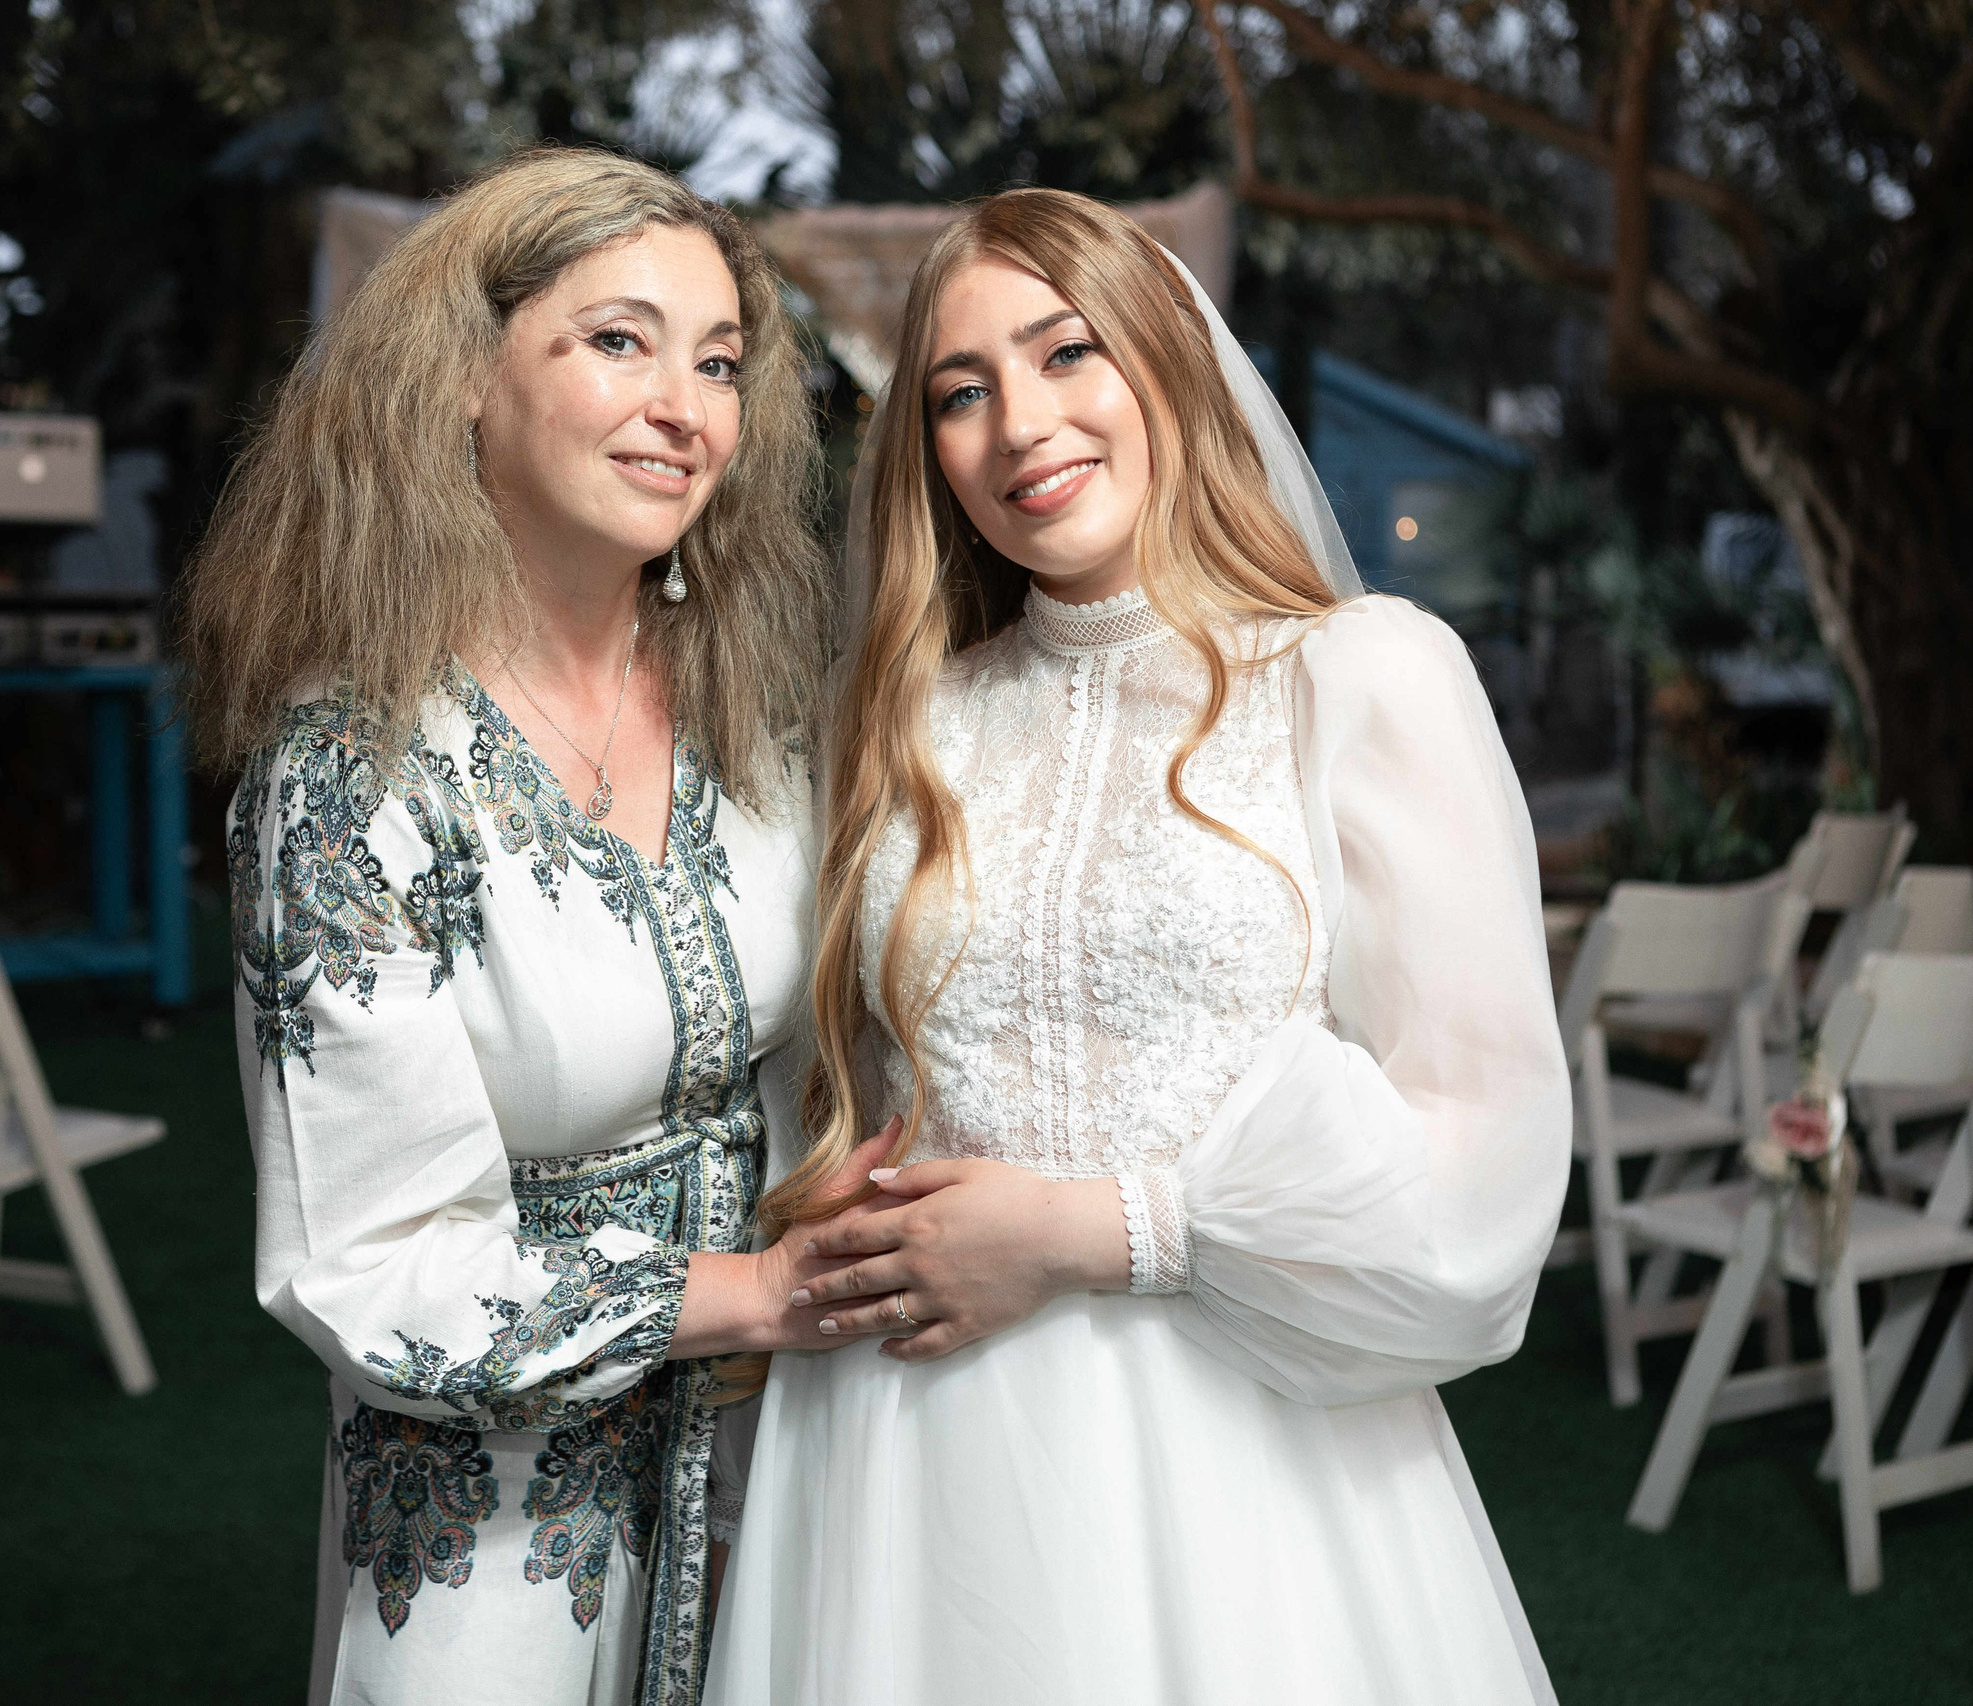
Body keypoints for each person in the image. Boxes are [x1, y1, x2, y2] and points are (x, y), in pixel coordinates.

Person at [708, 189, 1570, 1704]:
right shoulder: (903, 721)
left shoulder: (1363, 677)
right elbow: (833, 1052)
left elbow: (1482, 1176)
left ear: (1171, 359)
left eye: (1066, 352)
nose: (1017, 423)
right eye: (959, 391)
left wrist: (1096, 1229)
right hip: (907, 1455)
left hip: (1243, 1455)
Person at [182, 148, 895, 1706]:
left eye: (718, 362)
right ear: (461, 383)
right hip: (497, 1528)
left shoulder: (758, 712)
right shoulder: (347, 778)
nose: (687, 407)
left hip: (786, 1463)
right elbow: (369, 1261)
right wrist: (757, 1293)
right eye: (617, 340)